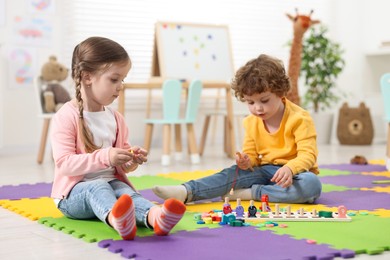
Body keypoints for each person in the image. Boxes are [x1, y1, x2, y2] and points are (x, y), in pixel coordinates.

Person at [50, 36, 186, 240]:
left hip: (111, 184)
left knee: (126, 191)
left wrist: (130, 160)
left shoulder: (116, 119)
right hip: (71, 196)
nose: (120, 86)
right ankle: (116, 218)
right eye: (114, 79)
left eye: (122, 80)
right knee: (98, 187)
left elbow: (119, 167)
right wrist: (106, 156)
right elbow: (65, 165)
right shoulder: (65, 116)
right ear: (87, 77)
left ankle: (155, 217)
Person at [152, 54, 322, 204]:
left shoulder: (300, 118)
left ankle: (251, 193)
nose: (258, 108)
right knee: (231, 173)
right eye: (250, 102)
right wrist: (246, 161)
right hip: (264, 171)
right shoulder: (251, 121)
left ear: (281, 92)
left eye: (264, 100)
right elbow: (252, 156)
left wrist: (290, 168)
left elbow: (308, 155)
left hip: (295, 174)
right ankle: (187, 191)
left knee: (311, 185)